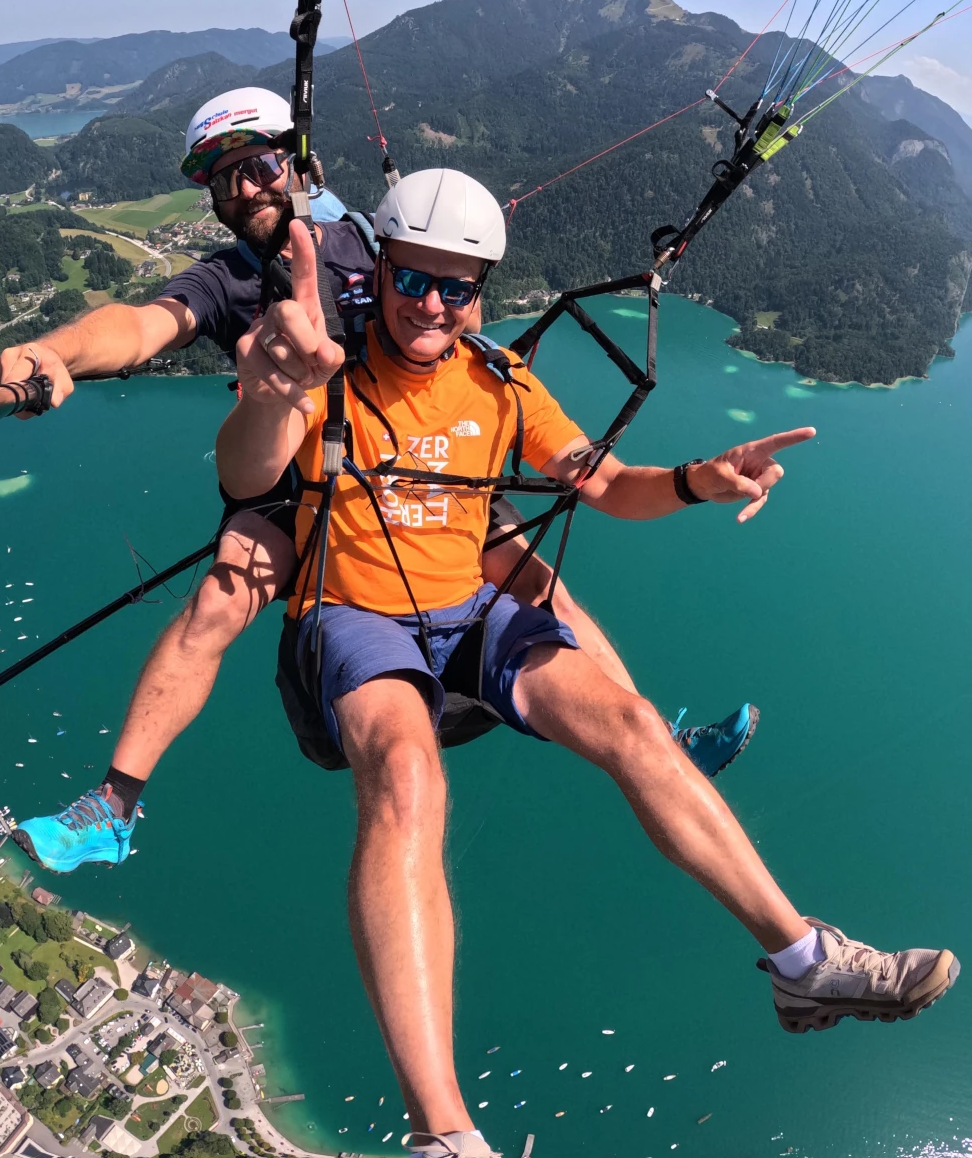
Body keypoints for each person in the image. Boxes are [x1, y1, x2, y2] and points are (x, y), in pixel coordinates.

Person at [216, 167, 959, 1158]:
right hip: (353, 616)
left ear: (481, 291)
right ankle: (441, 1131)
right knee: (403, 773)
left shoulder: (498, 382)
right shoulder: (327, 370)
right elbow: (246, 472)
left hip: (466, 609)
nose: (433, 303)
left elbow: (603, 482)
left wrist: (701, 478)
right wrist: (276, 388)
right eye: (414, 279)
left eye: (458, 284)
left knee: (633, 724)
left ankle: (801, 957)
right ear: (380, 270)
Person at [0, 93, 753, 874]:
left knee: (539, 587)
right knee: (220, 600)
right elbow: (139, 324)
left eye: (259, 168)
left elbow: (455, 298)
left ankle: (658, 746)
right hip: (295, 472)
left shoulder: (367, 240)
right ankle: (112, 807)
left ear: (294, 166)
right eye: (224, 183)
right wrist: (56, 351)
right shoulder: (227, 280)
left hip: (410, 456)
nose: (246, 191)